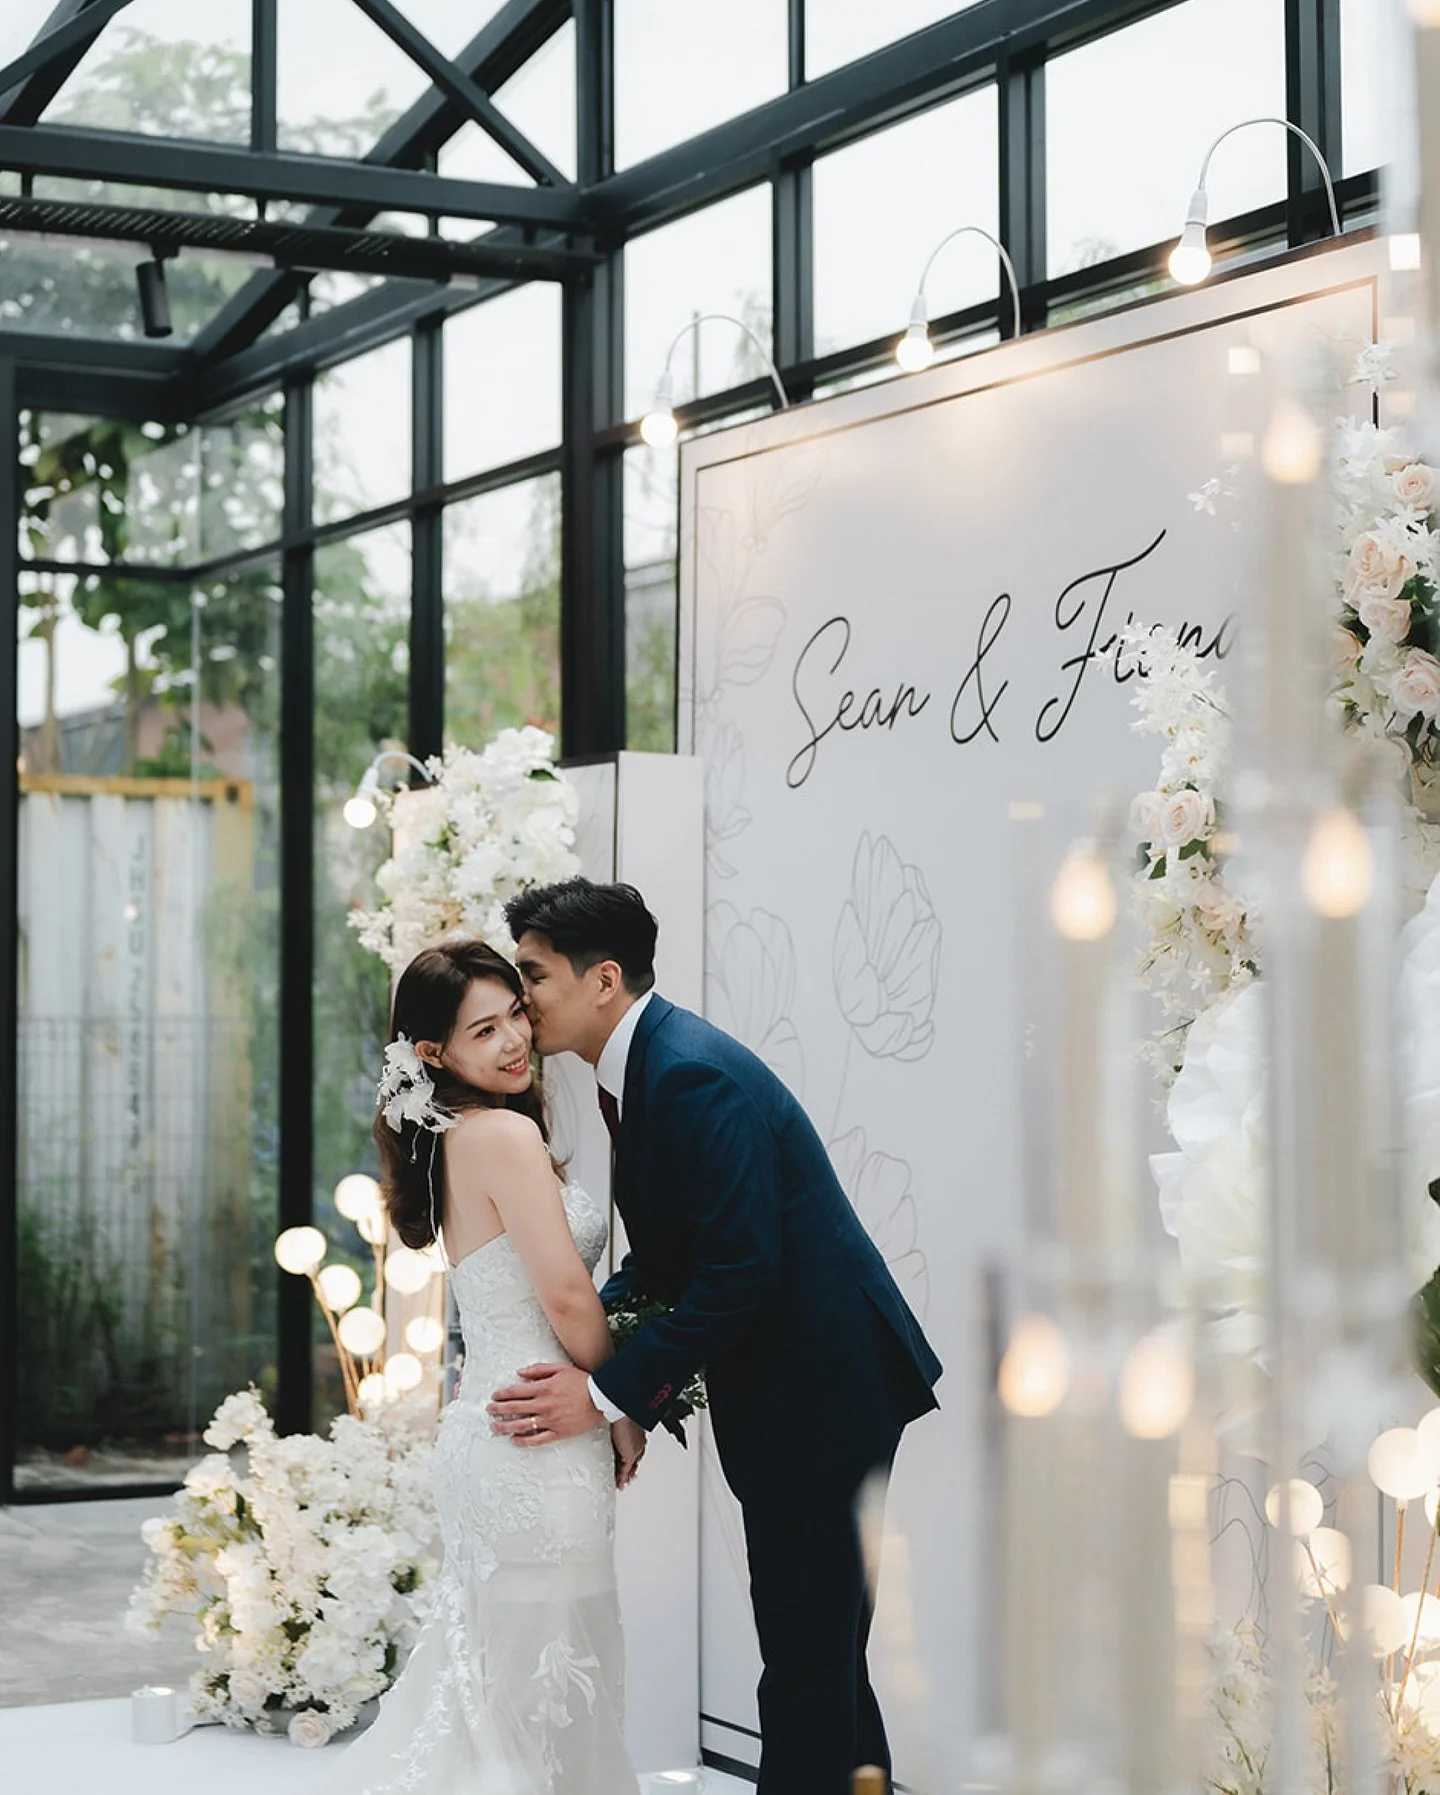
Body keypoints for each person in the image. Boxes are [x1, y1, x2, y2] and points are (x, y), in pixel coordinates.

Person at [489, 880, 943, 1795]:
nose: (523, 995)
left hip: (824, 1393)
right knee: (822, 1651)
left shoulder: (687, 1073)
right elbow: (670, 1258)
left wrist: (607, 1394)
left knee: (805, 1655)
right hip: (809, 1387)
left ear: (603, 978)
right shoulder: (646, 1066)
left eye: (533, 974)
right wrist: (580, 1325)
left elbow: (739, 1271)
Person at [313, 938, 643, 1795]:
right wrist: (624, 1401)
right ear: (434, 1053)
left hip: (496, 1429)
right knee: (540, 1687)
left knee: (505, 1683)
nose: (512, 1042)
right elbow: (569, 1299)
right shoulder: (501, 1132)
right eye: (483, 1030)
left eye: (515, 1018)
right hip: (538, 1434)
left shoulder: (457, 1135)